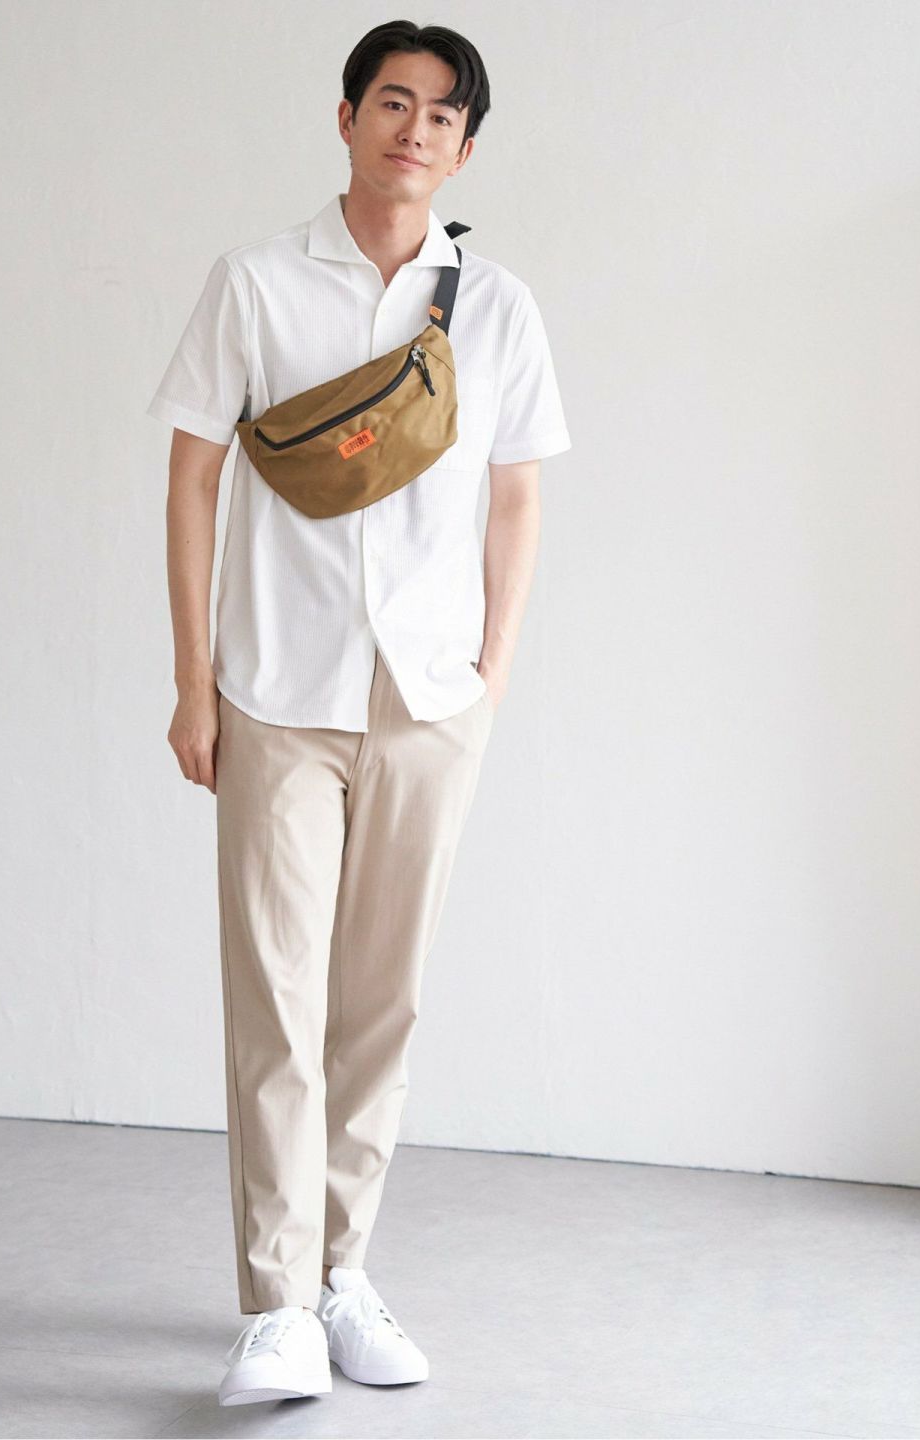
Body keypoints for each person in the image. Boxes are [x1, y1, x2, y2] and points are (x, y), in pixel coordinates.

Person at [146, 19, 571, 1408]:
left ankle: (343, 1275)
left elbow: (518, 492)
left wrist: (490, 668)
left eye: (443, 115)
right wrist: (193, 681)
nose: (415, 128)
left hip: (431, 700)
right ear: (345, 118)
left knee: (382, 1000)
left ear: (465, 149)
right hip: (277, 688)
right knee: (276, 997)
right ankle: (275, 1304)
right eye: (393, 102)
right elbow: (193, 477)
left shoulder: (495, 308)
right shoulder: (257, 284)